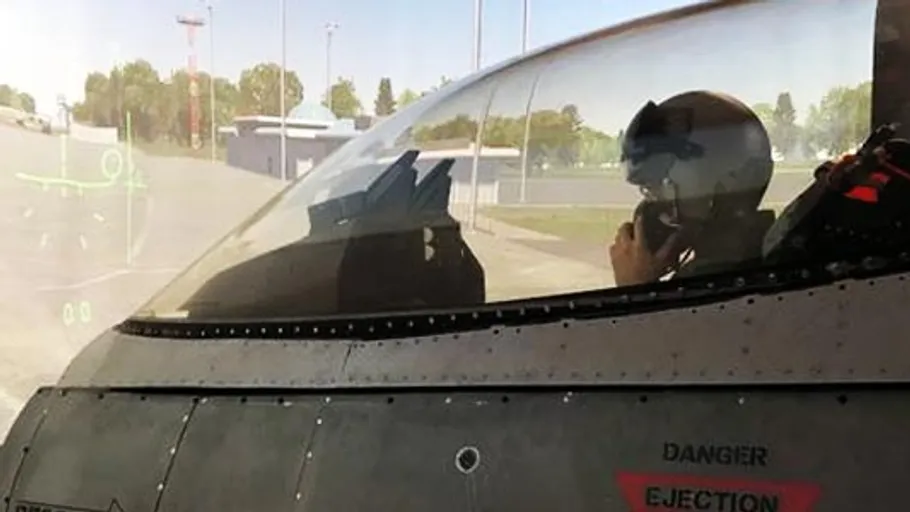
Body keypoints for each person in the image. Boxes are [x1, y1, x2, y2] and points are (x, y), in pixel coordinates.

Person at [609, 90, 776, 287]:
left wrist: (635, 286)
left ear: (724, 180)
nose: (653, 207)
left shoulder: (712, 281)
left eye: (659, 187)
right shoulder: (763, 253)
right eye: (648, 191)